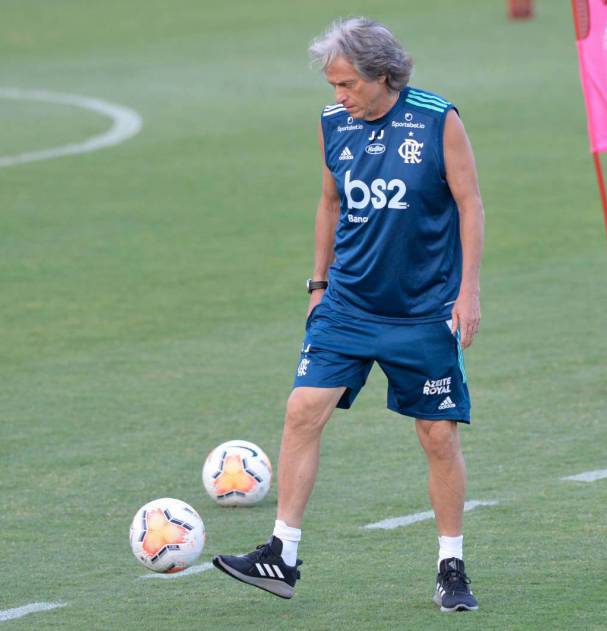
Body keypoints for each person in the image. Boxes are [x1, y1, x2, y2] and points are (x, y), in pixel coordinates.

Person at [212, 16, 485, 613]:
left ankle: (451, 564)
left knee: (438, 436)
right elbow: (330, 201)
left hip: (422, 311)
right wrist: (318, 284)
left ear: (383, 75)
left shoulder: (437, 120)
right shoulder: (333, 123)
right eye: (332, 85)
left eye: (347, 84)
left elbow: (470, 203)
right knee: (302, 410)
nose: (338, 96)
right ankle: (281, 554)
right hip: (348, 305)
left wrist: (468, 292)